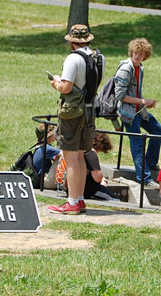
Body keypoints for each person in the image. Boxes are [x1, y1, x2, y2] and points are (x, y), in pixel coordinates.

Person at [48, 24, 106, 215]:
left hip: (72, 112)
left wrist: (55, 82)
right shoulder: (99, 58)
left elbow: (66, 87)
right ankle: (79, 200)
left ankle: (71, 202)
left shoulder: (73, 59)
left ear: (72, 42)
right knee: (81, 155)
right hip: (90, 110)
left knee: (70, 156)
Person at [115, 38, 161, 187]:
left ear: (145, 56)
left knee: (158, 130)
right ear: (131, 52)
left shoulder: (140, 68)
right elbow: (120, 96)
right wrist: (143, 101)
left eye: (140, 54)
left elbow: (135, 92)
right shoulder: (125, 69)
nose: (137, 56)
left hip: (139, 111)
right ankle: (145, 178)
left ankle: (150, 163)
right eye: (135, 53)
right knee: (137, 143)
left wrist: (144, 103)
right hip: (128, 114)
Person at [82, 132, 119, 203]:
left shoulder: (82, 150)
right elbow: (97, 178)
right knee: (115, 200)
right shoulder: (91, 154)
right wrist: (103, 180)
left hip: (75, 188)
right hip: (90, 189)